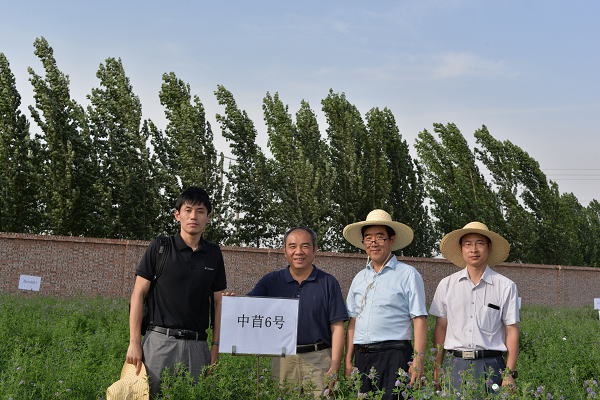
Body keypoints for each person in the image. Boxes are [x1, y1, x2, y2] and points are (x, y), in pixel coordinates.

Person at [126, 186, 226, 398]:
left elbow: (219, 303)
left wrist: (215, 348)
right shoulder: (160, 247)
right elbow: (138, 295)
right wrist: (134, 342)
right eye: (188, 210)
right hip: (159, 343)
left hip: (198, 347)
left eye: (200, 211)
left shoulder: (214, 254)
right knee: (150, 395)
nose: (193, 216)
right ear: (177, 215)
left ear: (208, 217)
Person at [247, 227, 348, 398]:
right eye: (292, 246)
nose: (298, 252)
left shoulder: (328, 282)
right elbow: (247, 307)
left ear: (315, 250)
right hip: (283, 359)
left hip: (319, 359)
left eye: (305, 246)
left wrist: (335, 366)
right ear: (284, 250)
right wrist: (230, 302)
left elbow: (337, 327)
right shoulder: (270, 281)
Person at [343, 210, 428, 400]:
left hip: (395, 356)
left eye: (380, 237)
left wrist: (418, 361)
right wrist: (348, 360)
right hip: (362, 357)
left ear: (392, 240)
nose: (373, 242)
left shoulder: (408, 274)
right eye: (368, 238)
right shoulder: (359, 278)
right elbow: (353, 321)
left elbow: (419, 320)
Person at [429, 222, 519, 397]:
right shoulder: (446, 285)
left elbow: (511, 331)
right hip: (454, 366)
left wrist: (509, 373)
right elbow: (441, 328)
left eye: (480, 243)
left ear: (489, 247)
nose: (474, 249)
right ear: (461, 249)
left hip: (492, 366)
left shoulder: (506, 286)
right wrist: (437, 368)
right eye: (468, 244)